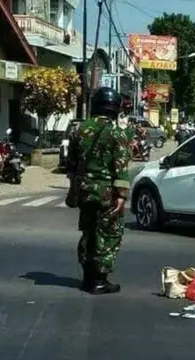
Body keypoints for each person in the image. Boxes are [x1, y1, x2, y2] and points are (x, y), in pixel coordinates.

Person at [66, 87, 132, 295]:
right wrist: (121, 195)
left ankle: (87, 278)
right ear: (114, 108)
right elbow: (120, 166)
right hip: (106, 194)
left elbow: (71, 164)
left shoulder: (79, 130)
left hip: (85, 191)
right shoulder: (116, 132)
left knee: (88, 232)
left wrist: (75, 187)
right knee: (109, 234)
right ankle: (100, 281)